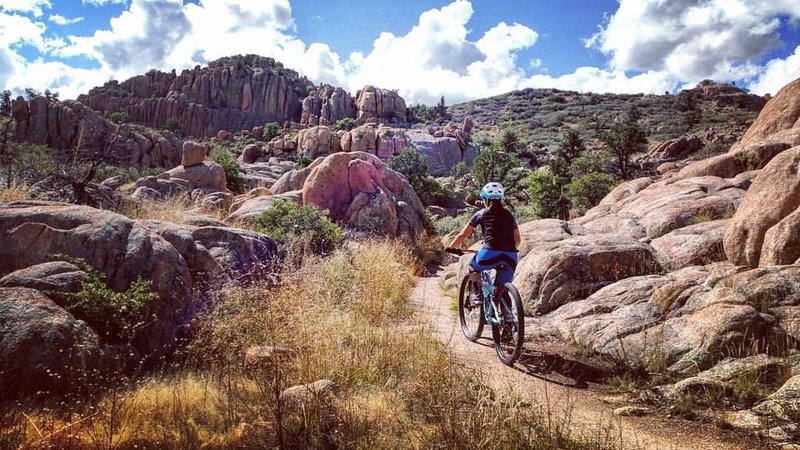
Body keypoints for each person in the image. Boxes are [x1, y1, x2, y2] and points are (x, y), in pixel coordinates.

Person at [447, 181, 521, 306]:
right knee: (502, 290)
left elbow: (463, 235)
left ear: (486, 200)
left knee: (472, 266)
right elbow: (518, 240)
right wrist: (507, 250)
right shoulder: (509, 215)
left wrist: (451, 248)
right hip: (511, 257)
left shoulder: (481, 214)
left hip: (489, 253)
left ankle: (478, 295)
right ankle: (509, 319)